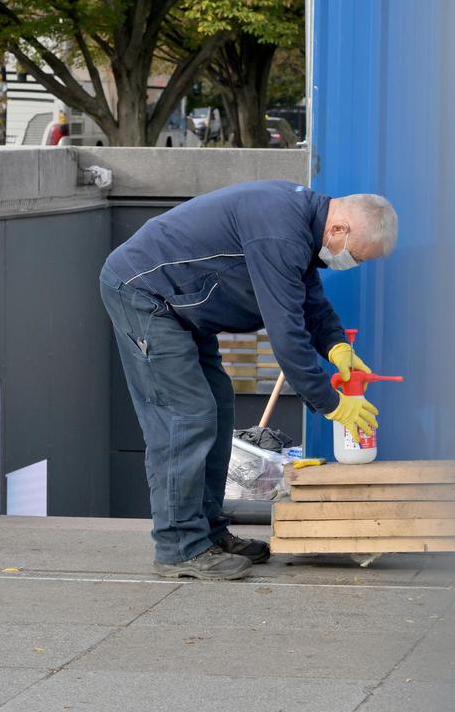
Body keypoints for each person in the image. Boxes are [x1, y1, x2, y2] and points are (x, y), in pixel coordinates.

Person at [99, 180, 398, 581]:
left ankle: (206, 533)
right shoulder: (279, 230)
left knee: (217, 405)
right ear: (339, 230)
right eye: (357, 257)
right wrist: (332, 405)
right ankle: (178, 547)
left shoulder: (302, 224)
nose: (352, 264)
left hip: (179, 303)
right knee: (186, 416)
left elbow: (308, 298)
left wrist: (336, 346)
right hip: (146, 294)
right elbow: (286, 334)